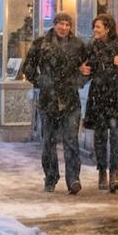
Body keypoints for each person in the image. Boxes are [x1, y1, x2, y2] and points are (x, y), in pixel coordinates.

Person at [22, 12, 87, 194]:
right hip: (48, 99)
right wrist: (41, 81)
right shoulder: (41, 44)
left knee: (71, 141)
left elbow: (88, 68)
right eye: (61, 24)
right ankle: (51, 177)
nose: (64, 28)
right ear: (55, 24)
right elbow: (28, 67)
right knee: (48, 142)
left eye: (67, 25)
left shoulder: (78, 45)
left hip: (70, 99)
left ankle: (73, 178)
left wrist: (78, 81)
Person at [81, 13, 118, 193]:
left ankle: (114, 173)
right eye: (94, 27)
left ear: (107, 28)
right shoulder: (91, 48)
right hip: (98, 96)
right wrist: (82, 69)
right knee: (100, 137)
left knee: (115, 136)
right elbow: (86, 68)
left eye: (98, 27)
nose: (95, 30)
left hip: (116, 97)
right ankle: (102, 172)